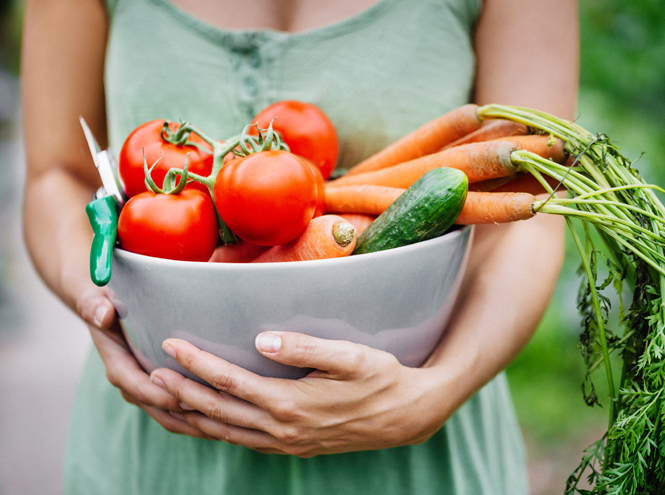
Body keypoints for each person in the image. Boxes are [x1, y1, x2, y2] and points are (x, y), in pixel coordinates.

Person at [22, 0, 578, 493]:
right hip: (164, 421)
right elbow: (56, 174)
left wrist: (435, 392)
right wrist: (98, 302)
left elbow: (535, 215)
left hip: (414, 443)